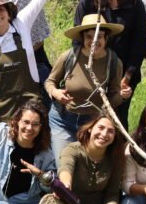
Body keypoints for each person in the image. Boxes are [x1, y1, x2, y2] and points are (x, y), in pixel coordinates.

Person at [73, 0, 146, 128]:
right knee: (92, 122)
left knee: (118, 121)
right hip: (93, 70)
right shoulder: (89, 1)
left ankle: (118, 155)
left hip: (124, 73)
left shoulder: (134, 1)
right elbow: (77, 40)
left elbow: (139, 43)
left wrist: (126, 76)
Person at [46, 13, 132, 161]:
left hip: (92, 123)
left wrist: (122, 96)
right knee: (64, 163)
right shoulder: (69, 57)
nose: (93, 41)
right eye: (89, 37)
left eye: (98, 36)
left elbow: (112, 99)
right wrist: (55, 93)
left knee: (86, 164)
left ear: (106, 38)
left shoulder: (113, 62)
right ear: (83, 39)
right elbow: (50, 81)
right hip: (63, 119)